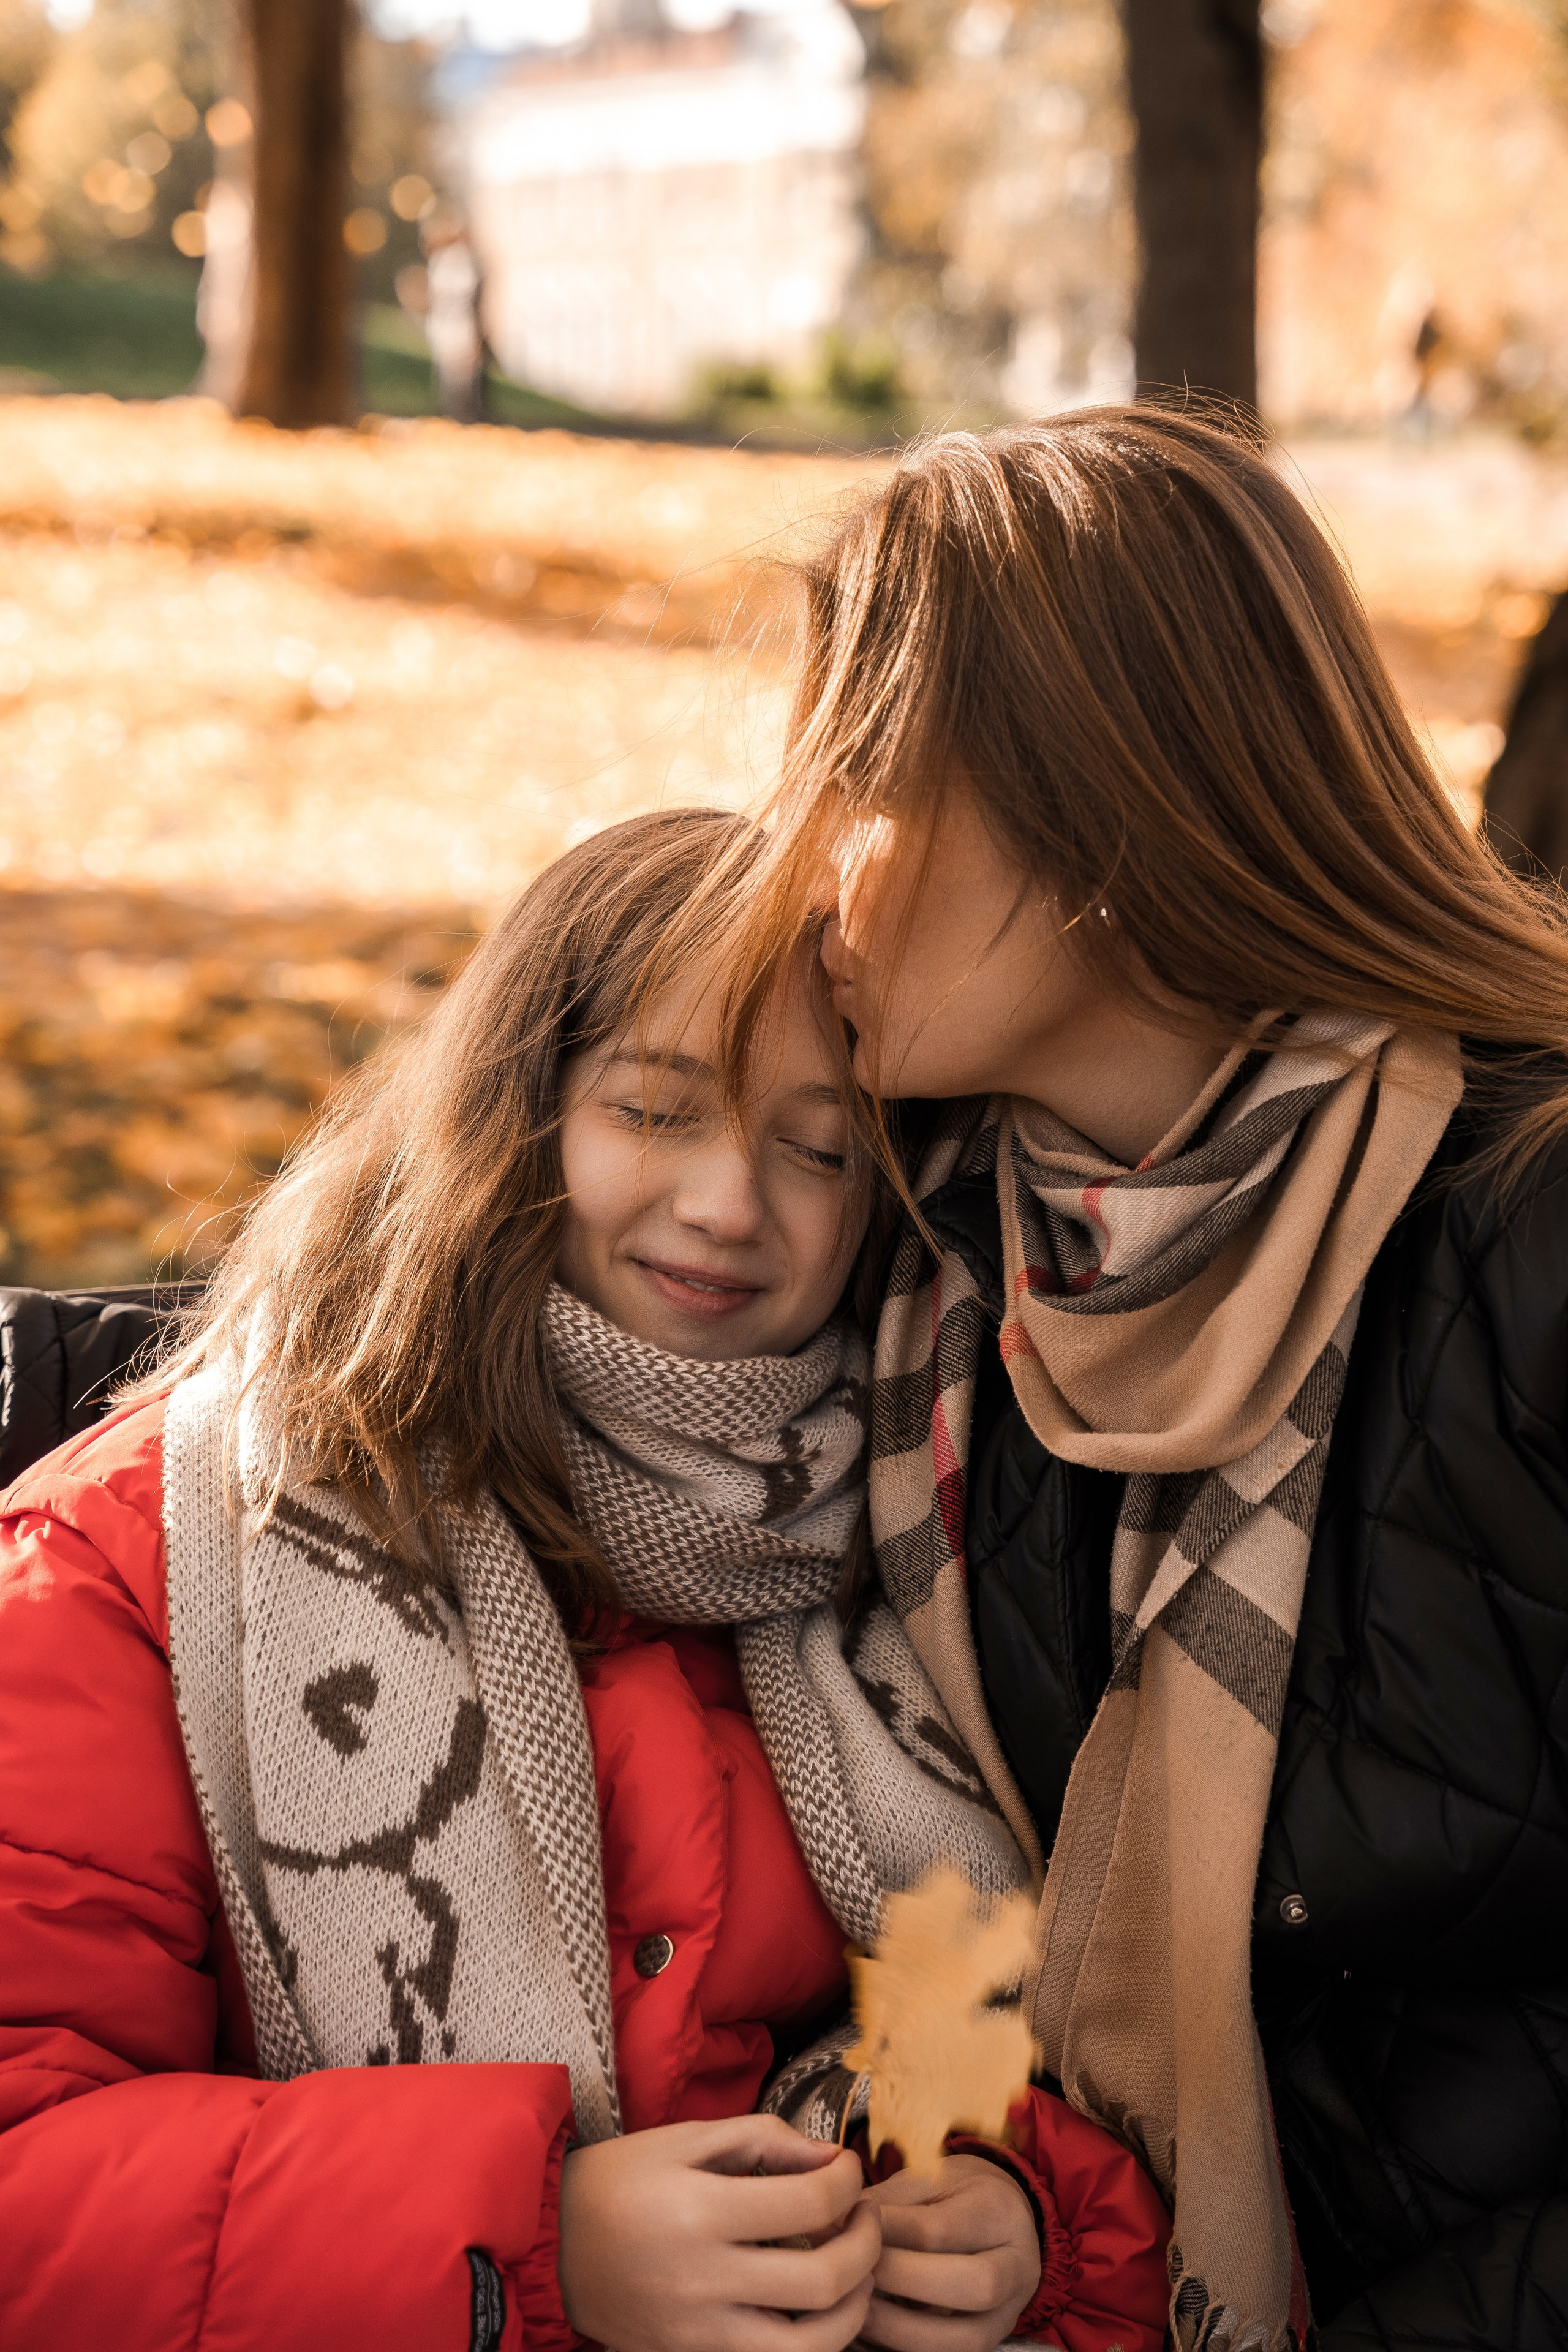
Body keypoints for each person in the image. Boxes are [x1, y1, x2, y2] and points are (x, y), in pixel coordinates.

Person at [0, 809, 1170, 2352]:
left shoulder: (917, 1554)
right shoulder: (141, 1551)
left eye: (815, 1149)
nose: (729, 1204)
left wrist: (1019, 2215)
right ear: (520, 1110)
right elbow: (32, 2191)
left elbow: (1007, 2037)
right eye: (654, 1110)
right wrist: (533, 2241)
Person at [706, 411, 1568, 2351]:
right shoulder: (934, 1250)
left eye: (862, 777)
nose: (802, 860)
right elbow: (488, 1299)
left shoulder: (1529, 1238)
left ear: (1099, 806)